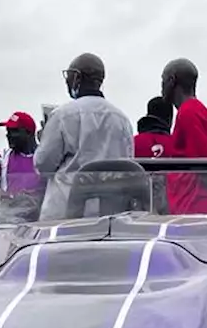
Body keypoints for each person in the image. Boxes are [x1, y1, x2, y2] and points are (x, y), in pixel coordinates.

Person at [36, 53, 134, 220]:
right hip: (110, 216)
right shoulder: (122, 120)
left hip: (67, 213)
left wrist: (42, 139)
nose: (67, 82)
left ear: (77, 77)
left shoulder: (62, 116)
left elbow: (43, 164)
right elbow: (128, 166)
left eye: (68, 76)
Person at [161, 57, 207, 215]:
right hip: (195, 206)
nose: (161, 87)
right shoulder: (202, 112)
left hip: (195, 209)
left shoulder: (188, 112)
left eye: (163, 80)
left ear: (172, 80)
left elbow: (204, 164)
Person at [0, 111, 42, 223]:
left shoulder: (47, 157)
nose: (8, 135)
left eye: (14, 131)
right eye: (7, 131)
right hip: (11, 224)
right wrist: (13, 197)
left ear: (29, 133)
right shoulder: (1, 158)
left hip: (41, 222)